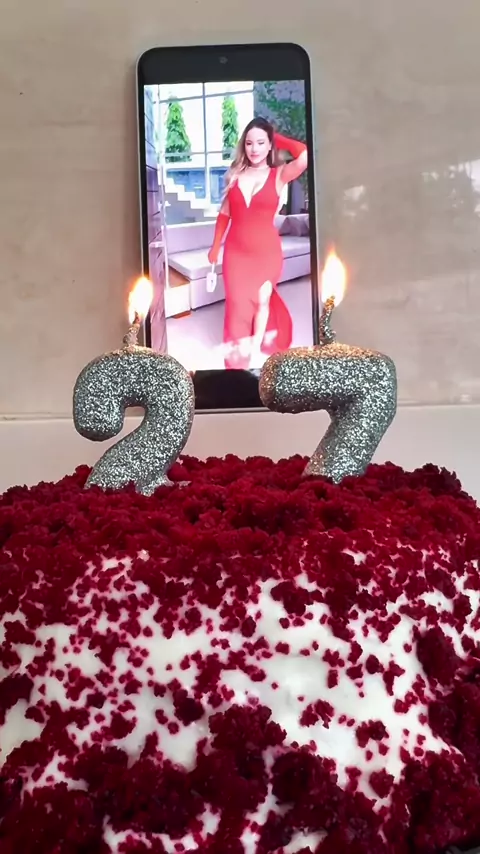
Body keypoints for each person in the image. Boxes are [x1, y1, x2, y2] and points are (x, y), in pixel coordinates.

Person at [207, 117, 308, 369]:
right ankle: (236, 360)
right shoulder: (234, 175)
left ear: (269, 145)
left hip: (266, 253)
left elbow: (304, 156)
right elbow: (224, 214)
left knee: (262, 301)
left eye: (261, 142)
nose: (254, 149)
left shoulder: (279, 175)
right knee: (237, 304)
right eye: (249, 143)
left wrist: (277, 137)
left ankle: (253, 349)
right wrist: (215, 246)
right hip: (235, 253)